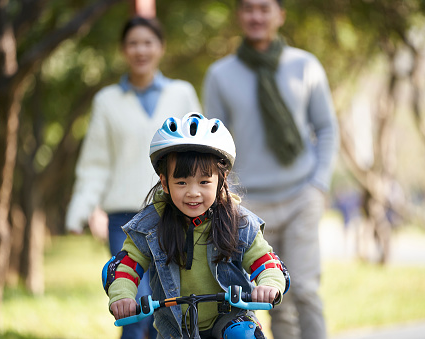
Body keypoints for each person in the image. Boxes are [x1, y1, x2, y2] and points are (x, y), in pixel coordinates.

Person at [202, 0, 339, 338]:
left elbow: (327, 129)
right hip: (247, 207)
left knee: (305, 291)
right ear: (239, 16)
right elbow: (213, 144)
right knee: (265, 297)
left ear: (280, 15)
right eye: (248, 9)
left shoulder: (305, 66)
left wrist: (318, 184)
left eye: (265, 8)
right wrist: (225, 198)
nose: (256, 16)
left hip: (300, 196)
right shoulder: (220, 74)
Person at [65, 16, 201, 339]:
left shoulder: (182, 93)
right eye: (133, 43)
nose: (141, 50)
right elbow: (95, 163)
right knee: (135, 308)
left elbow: (200, 156)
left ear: (161, 48)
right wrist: (79, 210)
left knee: (168, 308)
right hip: (126, 220)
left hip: (174, 215)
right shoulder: (106, 101)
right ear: (123, 50)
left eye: (148, 42)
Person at [104, 113, 288, 338]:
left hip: (231, 318)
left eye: (204, 182)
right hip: (176, 326)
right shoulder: (151, 225)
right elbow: (125, 266)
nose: (193, 193)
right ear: (164, 182)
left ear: (221, 179)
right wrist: (122, 296)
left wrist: (269, 284)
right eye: (181, 182)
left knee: (243, 334)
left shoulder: (238, 222)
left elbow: (267, 262)